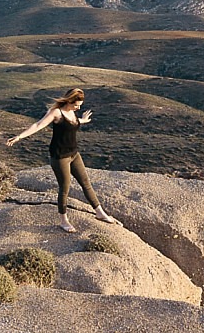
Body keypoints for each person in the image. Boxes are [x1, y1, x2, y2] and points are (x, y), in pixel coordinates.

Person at [6, 88, 120, 232]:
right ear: (69, 101)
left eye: (80, 106)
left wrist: (82, 120)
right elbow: (38, 125)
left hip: (74, 154)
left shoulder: (72, 112)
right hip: (60, 157)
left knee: (86, 183)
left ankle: (100, 212)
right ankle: (63, 220)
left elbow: (72, 123)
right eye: (76, 105)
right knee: (64, 188)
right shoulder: (56, 113)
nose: (78, 108)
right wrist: (19, 137)